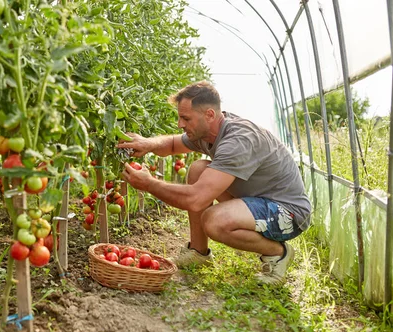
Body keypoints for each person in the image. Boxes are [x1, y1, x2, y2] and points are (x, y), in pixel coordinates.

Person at [118, 81, 311, 285]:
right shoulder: (207, 131)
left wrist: (149, 184)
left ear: (209, 114)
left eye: (185, 118)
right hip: (259, 200)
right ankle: (198, 252)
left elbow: (195, 199)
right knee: (198, 169)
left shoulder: (238, 139)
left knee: (215, 221)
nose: (180, 124)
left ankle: (278, 252)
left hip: (287, 213)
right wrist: (147, 143)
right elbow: (173, 144)